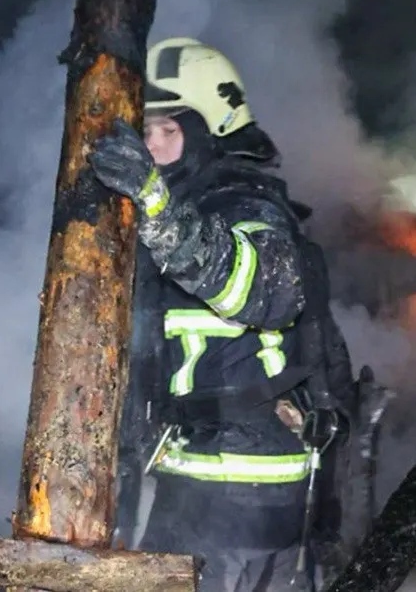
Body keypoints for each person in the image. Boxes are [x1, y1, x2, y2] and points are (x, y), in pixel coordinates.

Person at [90, 37, 351, 592]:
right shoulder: (192, 210)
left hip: (235, 490)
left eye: (170, 130)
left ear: (212, 132)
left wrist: (156, 206)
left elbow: (270, 290)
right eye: (145, 130)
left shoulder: (242, 204)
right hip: (213, 485)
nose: (153, 147)